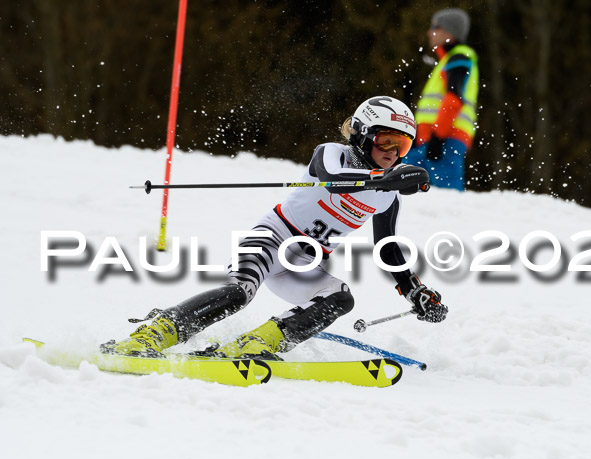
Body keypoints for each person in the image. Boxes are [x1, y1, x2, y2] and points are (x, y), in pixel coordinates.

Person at [101, 96, 449, 360]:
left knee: (341, 297)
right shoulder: (330, 154)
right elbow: (333, 180)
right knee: (239, 292)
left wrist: (414, 290)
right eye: (385, 140)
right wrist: (386, 180)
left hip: (302, 265)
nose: (392, 151)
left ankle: (256, 343)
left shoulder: (388, 197)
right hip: (270, 240)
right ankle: (155, 333)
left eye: (401, 145)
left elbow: (386, 249)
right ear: (361, 135)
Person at [402, 8, 479, 191]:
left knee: (447, 197)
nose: (430, 32)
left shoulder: (460, 57)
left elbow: (454, 99)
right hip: (431, 138)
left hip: (446, 138)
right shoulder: (447, 60)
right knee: (402, 186)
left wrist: (438, 137)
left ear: (450, 32)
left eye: (436, 27)